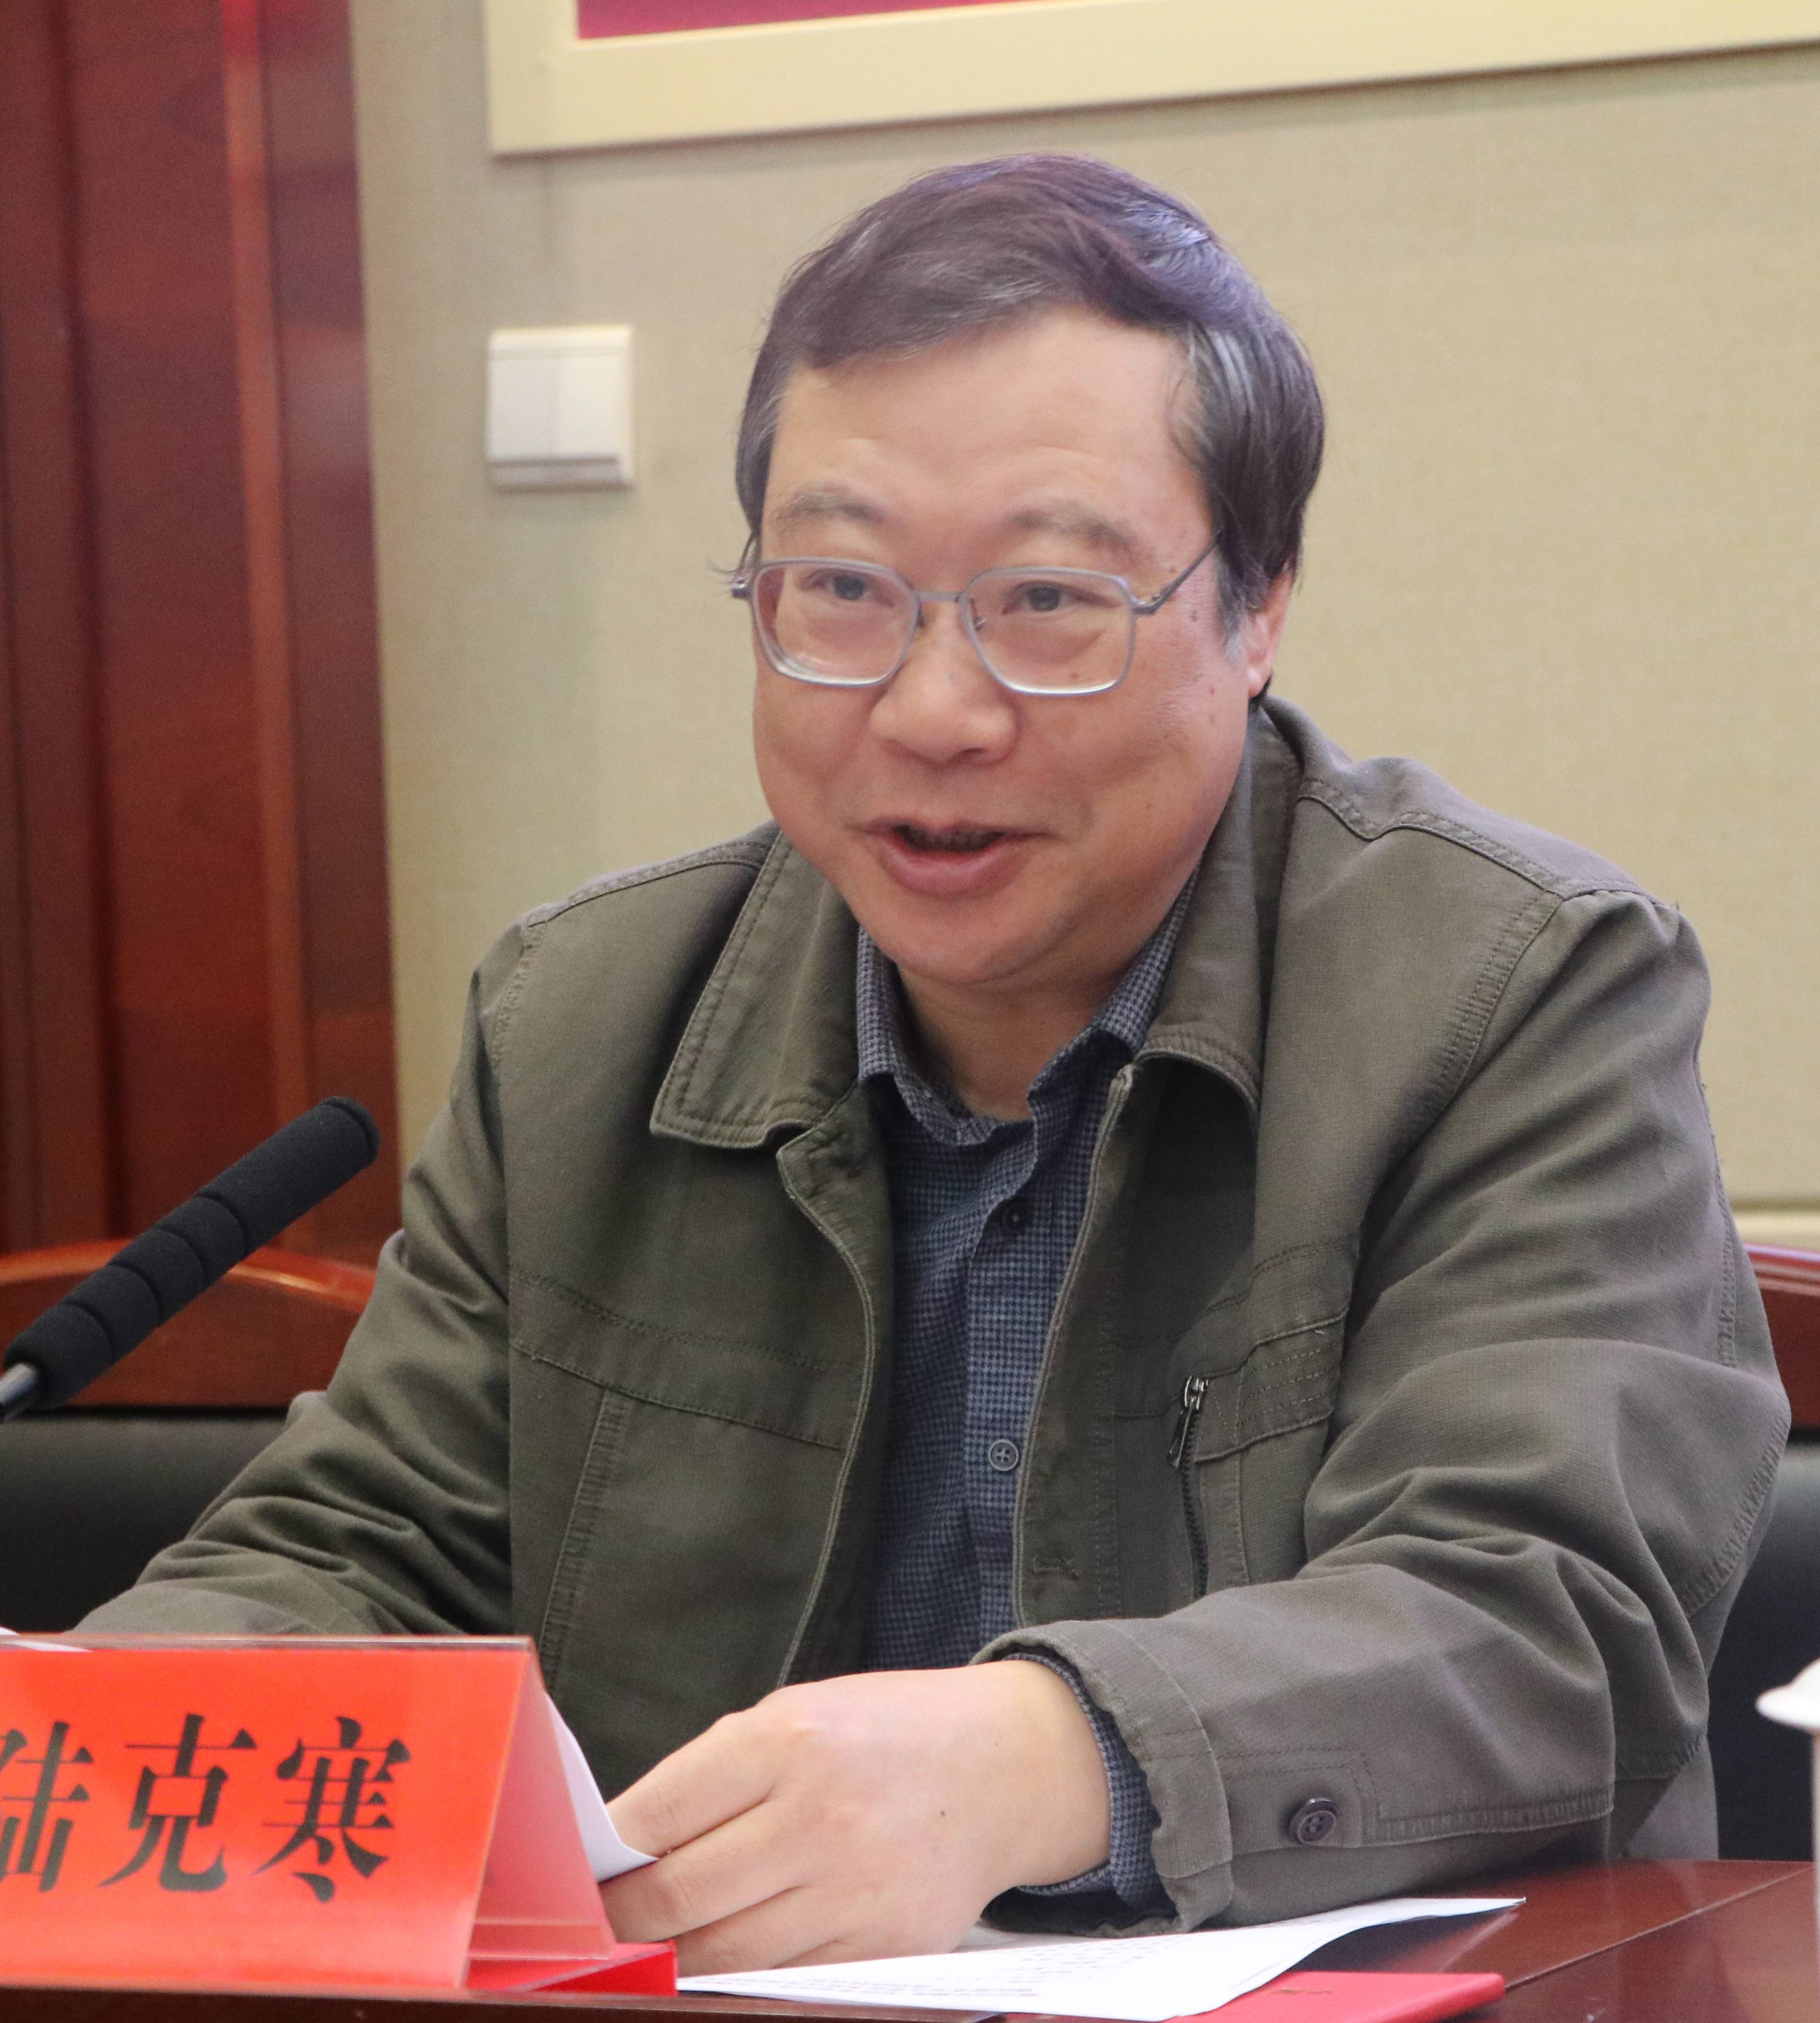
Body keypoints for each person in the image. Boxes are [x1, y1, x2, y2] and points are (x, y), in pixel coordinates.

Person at [87, 156, 1788, 1968]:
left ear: (1259, 606)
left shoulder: (1519, 993)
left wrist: (1046, 1759)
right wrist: (89, 1749)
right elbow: (354, 1554)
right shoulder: (581, 1016)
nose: (930, 711)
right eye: (842, 589)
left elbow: (1547, 1625)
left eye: (1048, 601)